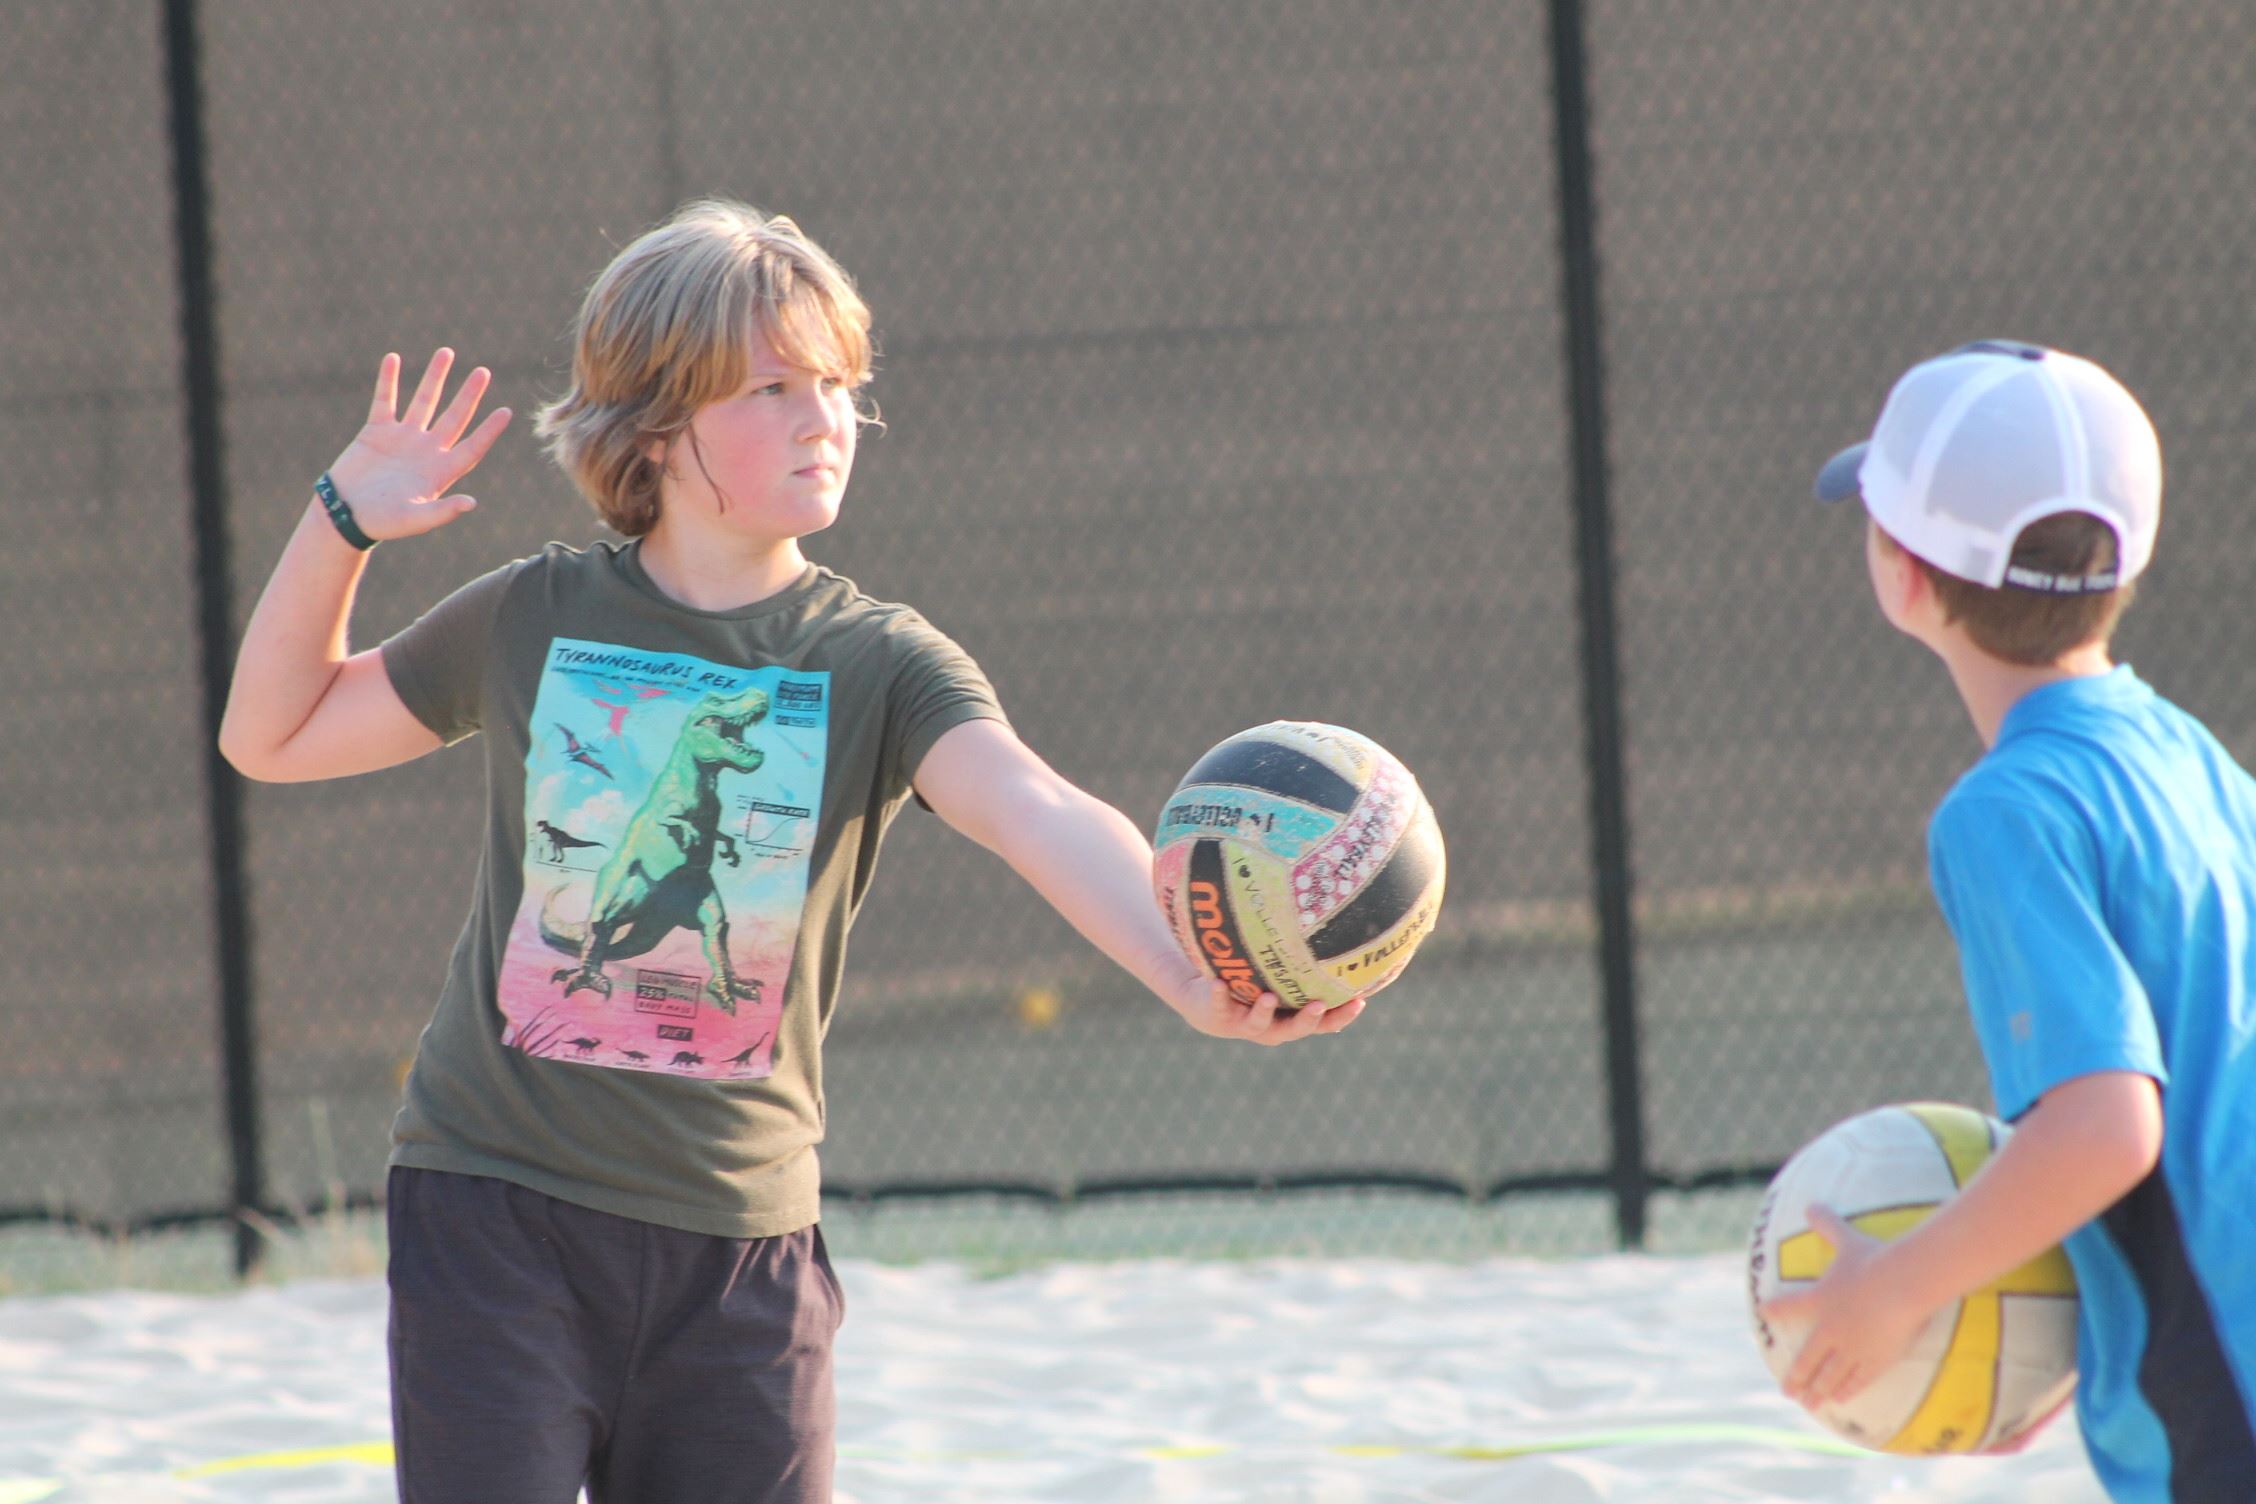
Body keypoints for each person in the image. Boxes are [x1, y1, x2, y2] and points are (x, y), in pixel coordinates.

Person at [217, 198, 1363, 1504]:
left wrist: (1185, 975)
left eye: (838, 383)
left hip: (741, 1259)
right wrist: (339, 522)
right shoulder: (537, 615)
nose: (825, 415)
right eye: (772, 385)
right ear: (655, 422)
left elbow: (1035, 806)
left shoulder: (878, 661)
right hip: (498, 1214)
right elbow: (274, 735)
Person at [1762, 340, 2256, 1500]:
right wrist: (2033, 1340)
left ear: (1905, 575)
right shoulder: (2189, 753)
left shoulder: (2005, 811)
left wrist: (1901, 1293)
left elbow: (2108, 1128)